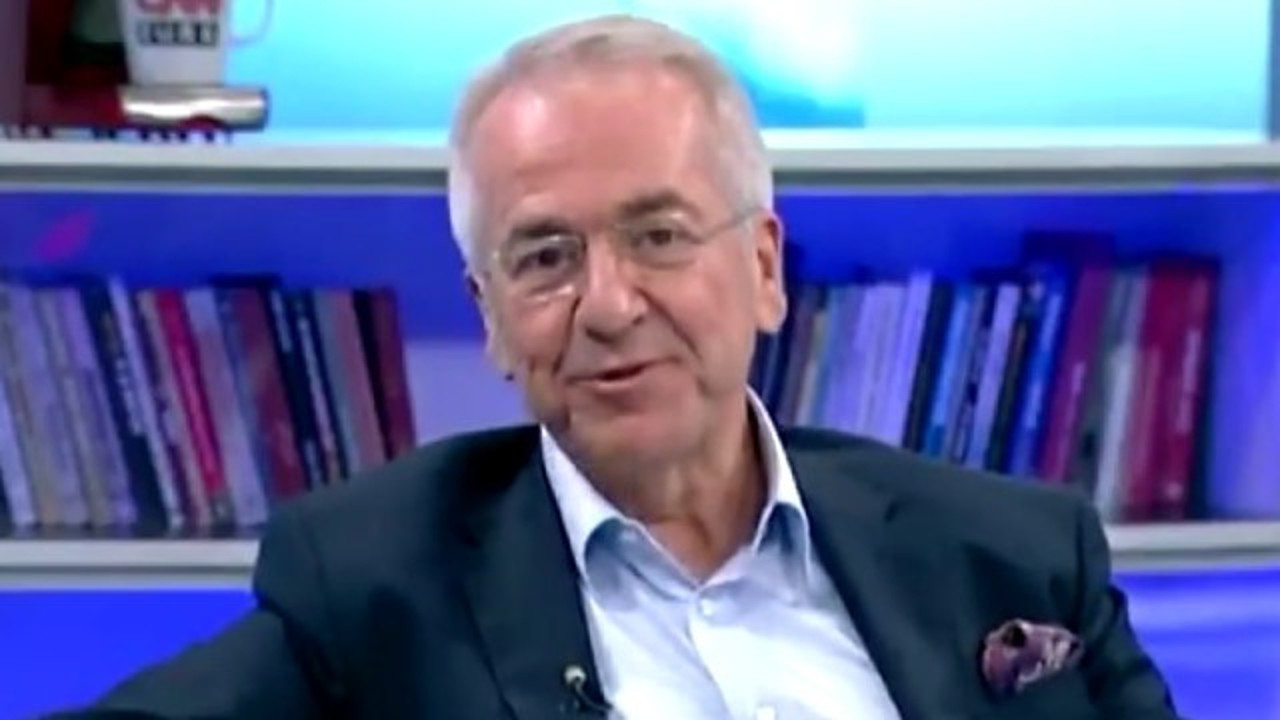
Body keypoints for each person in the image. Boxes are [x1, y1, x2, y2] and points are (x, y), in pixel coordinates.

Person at [56, 14, 1180, 720]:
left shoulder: (1014, 555)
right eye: (546, 256)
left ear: (764, 267)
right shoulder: (374, 585)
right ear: (492, 316)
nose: (606, 305)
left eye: (658, 235)